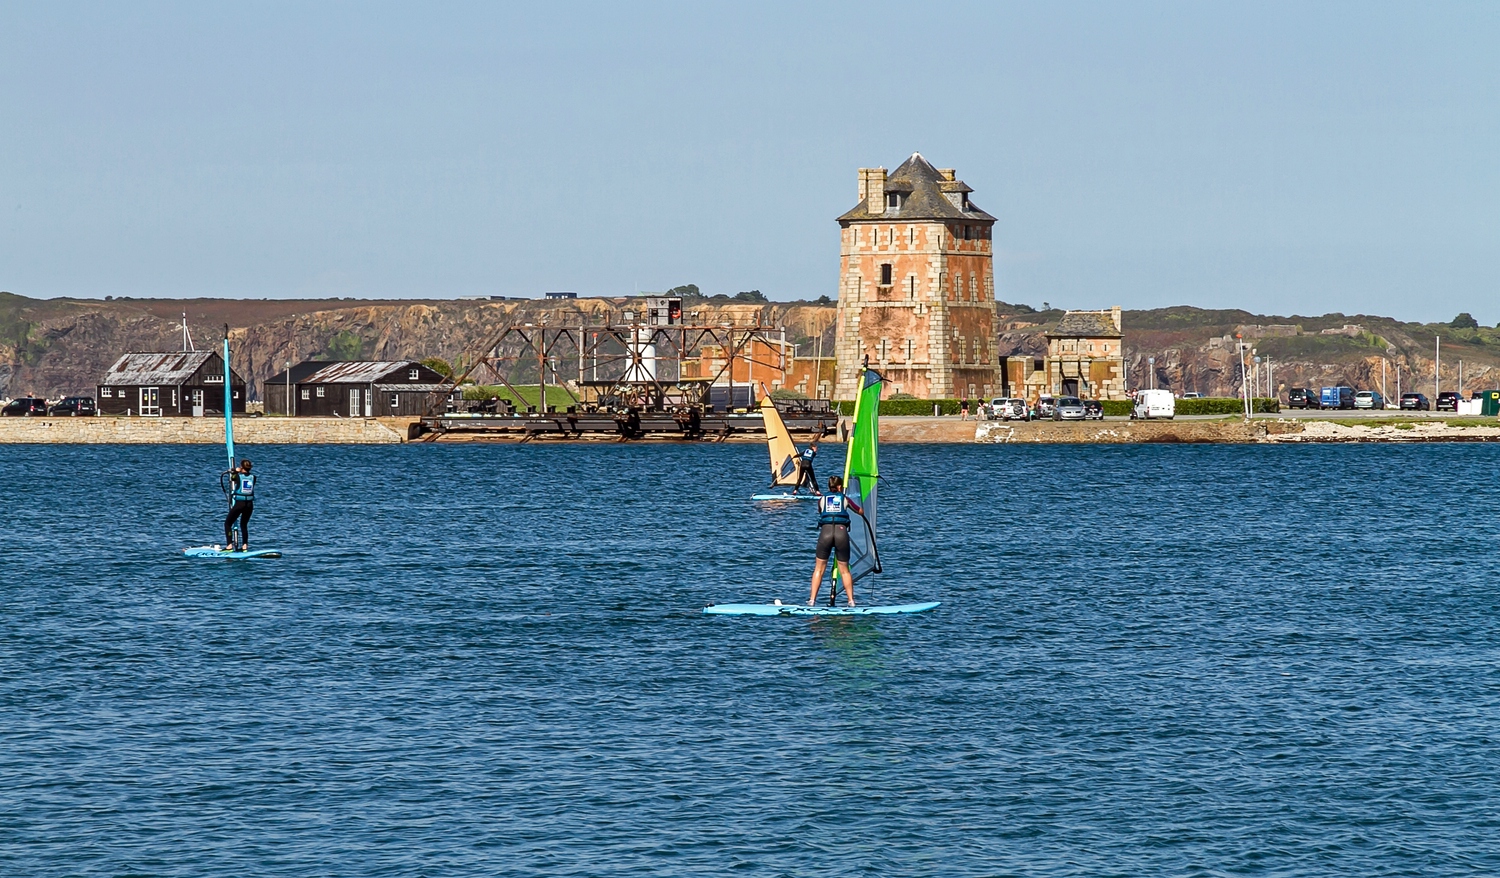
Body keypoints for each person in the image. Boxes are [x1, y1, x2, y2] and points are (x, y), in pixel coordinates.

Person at [809, 475, 861, 607]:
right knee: (844, 570)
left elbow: (821, 511)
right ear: (839, 487)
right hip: (841, 533)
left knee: (819, 569)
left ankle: (812, 601)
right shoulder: (845, 499)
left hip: (825, 533)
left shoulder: (822, 499)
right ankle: (851, 601)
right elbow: (860, 511)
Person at [223, 459, 256, 551]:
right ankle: (245, 546)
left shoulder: (238, 476)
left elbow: (233, 478)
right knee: (244, 524)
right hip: (249, 504)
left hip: (240, 504)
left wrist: (235, 471)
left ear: (242, 467)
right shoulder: (253, 477)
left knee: (228, 523)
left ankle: (229, 545)